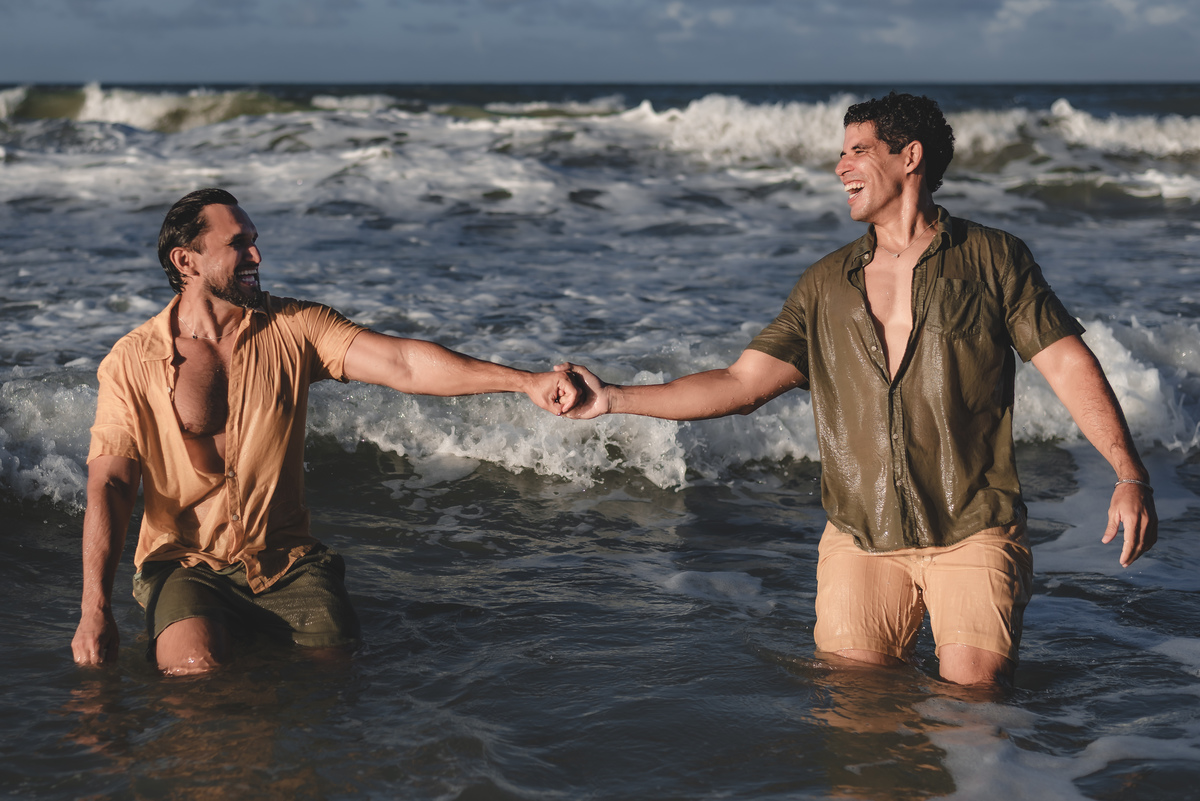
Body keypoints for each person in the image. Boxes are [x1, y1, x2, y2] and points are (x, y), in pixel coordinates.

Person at [559, 92, 1157, 686]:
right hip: (860, 535)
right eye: (841, 153)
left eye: (858, 151)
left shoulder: (993, 259)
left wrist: (1128, 474)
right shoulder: (824, 284)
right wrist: (611, 398)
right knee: (858, 712)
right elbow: (741, 383)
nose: (839, 166)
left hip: (973, 526)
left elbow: (1067, 363)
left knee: (972, 709)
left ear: (910, 157)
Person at [71, 188, 581, 675]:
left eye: (254, 240)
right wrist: (95, 608)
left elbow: (404, 363)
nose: (257, 255)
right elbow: (111, 483)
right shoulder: (131, 362)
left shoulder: (295, 326)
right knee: (195, 670)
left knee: (336, 676)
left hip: (285, 558)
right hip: (186, 563)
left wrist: (525, 382)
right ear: (187, 261)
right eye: (239, 244)